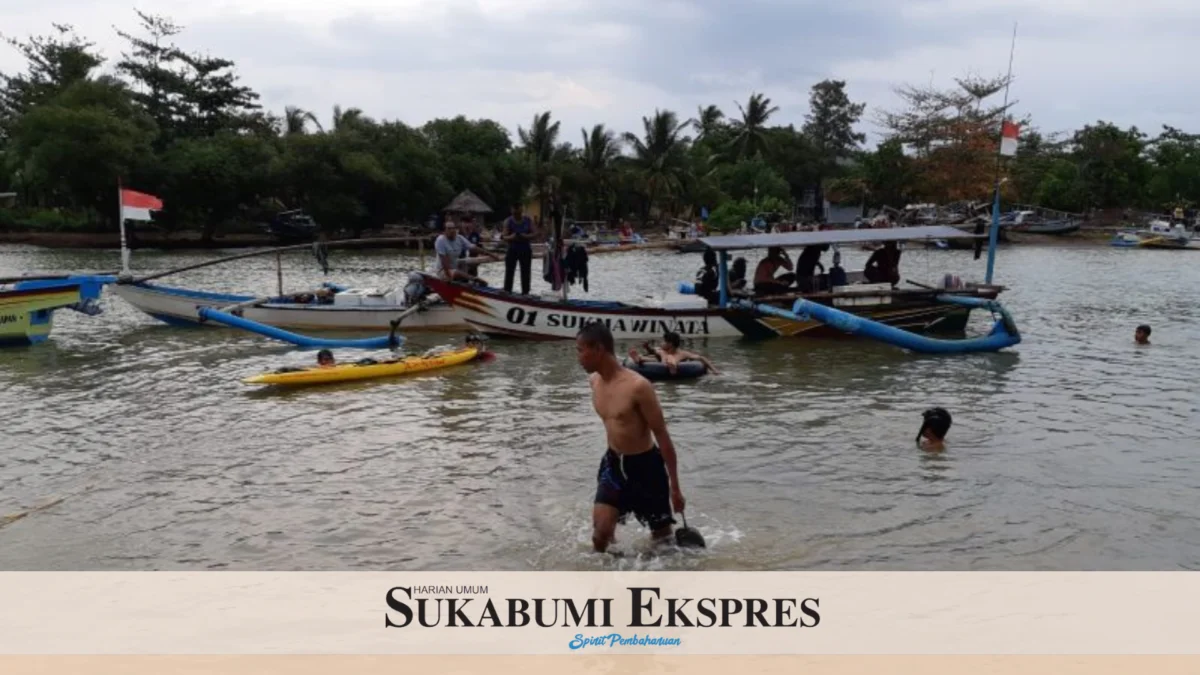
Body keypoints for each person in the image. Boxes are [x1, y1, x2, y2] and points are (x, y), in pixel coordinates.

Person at [576, 322, 686, 553]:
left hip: (646, 466)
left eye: (581, 350)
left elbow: (662, 437)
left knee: (663, 542)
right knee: (600, 536)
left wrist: (675, 488)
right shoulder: (594, 382)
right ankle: (607, 581)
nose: (578, 357)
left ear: (598, 349)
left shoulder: (638, 386)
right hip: (614, 463)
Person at [628, 330, 720, 375]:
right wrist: (647, 347)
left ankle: (673, 367)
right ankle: (638, 359)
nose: (661, 343)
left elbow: (701, 358)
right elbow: (652, 351)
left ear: (670, 344)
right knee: (653, 357)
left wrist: (715, 370)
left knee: (670, 358)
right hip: (661, 362)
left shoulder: (682, 353)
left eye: (663, 341)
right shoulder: (662, 350)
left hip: (673, 362)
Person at [434, 220, 499, 283]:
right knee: (456, 272)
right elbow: (444, 261)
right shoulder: (440, 240)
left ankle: (472, 282)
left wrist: (491, 254)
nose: (452, 230)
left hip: (455, 266)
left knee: (471, 263)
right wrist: (449, 277)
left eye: (453, 228)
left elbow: (474, 248)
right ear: (444, 231)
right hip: (443, 270)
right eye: (449, 229)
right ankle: (474, 279)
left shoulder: (459, 238)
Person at [502, 204, 536, 294]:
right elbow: (504, 236)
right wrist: (512, 237)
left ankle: (525, 292)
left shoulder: (528, 220)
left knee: (526, 272)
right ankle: (507, 291)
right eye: (515, 213)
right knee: (509, 271)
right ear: (512, 211)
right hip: (512, 249)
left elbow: (534, 234)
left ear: (522, 210)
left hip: (525, 249)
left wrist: (525, 236)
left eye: (518, 213)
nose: (517, 215)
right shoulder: (508, 221)